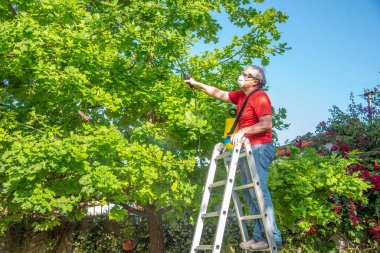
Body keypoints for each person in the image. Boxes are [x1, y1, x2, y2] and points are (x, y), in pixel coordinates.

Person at [184, 65, 282, 250]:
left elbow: (266, 124)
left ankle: (273, 237)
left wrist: (243, 131)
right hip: (247, 149)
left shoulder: (260, 96)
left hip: (260, 147)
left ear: (256, 81)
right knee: (248, 193)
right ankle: (259, 236)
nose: (242, 76)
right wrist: (195, 83)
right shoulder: (240, 96)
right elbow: (218, 93)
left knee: (258, 193)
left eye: (246, 75)